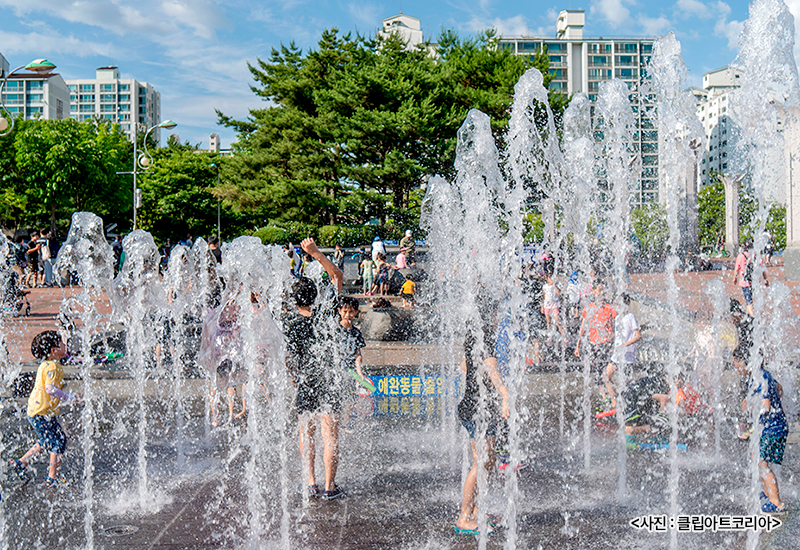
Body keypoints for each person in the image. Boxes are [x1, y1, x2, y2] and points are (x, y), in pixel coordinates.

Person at [284, 238, 346, 500]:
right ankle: (330, 486)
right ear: (315, 295)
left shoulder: (290, 324)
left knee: (306, 431)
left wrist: (293, 377)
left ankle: (311, 482)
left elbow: (288, 359)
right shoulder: (327, 314)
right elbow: (337, 276)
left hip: (307, 380)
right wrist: (316, 254)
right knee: (329, 432)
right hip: (329, 377)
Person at [455, 297, 510, 536]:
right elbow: (491, 368)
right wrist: (505, 395)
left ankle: (477, 510)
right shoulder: (485, 338)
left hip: (474, 407)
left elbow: (464, 367)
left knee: (486, 462)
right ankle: (464, 517)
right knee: (481, 463)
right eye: (496, 313)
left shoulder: (472, 338)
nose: (499, 318)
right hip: (477, 410)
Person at [8, 331, 79, 487]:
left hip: (38, 411)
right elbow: (50, 389)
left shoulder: (46, 364)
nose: (65, 345)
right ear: (54, 350)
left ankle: (20, 463)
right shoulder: (53, 366)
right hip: (41, 413)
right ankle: (52, 478)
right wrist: (70, 397)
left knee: (47, 441)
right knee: (58, 442)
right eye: (61, 343)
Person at [733, 349, 788, 515]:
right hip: (773, 426)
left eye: (737, 362)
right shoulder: (761, 375)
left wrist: (752, 429)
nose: (735, 366)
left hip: (773, 428)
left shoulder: (760, 378)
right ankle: (767, 491)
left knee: (761, 463)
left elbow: (765, 406)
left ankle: (775, 502)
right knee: (756, 458)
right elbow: (779, 388)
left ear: (747, 362)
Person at [602, 293, 641, 410]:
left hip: (627, 357)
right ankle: (614, 402)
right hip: (617, 355)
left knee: (626, 384)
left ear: (627, 304)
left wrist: (624, 345)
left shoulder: (630, 317)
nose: (617, 306)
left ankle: (629, 406)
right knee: (605, 377)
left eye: (620, 304)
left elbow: (638, 335)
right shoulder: (618, 317)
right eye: (616, 304)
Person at [575, 279, 617, 385]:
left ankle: (610, 397)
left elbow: (619, 325)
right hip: (593, 343)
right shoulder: (588, 308)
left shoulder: (610, 308)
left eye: (603, 290)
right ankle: (605, 396)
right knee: (597, 372)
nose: (602, 293)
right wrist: (578, 345)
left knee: (604, 372)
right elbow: (583, 328)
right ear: (593, 291)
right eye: (599, 290)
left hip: (607, 343)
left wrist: (615, 337)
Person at [732, 240, 768, 317]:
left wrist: (734, 278)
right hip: (755, 281)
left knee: (748, 299)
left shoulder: (741, 256)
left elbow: (736, 268)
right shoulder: (756, 255)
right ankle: (752, 315)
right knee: (754, 298)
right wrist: (766, 280)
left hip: (744, 282)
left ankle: (752, 316)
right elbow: (762, 269)